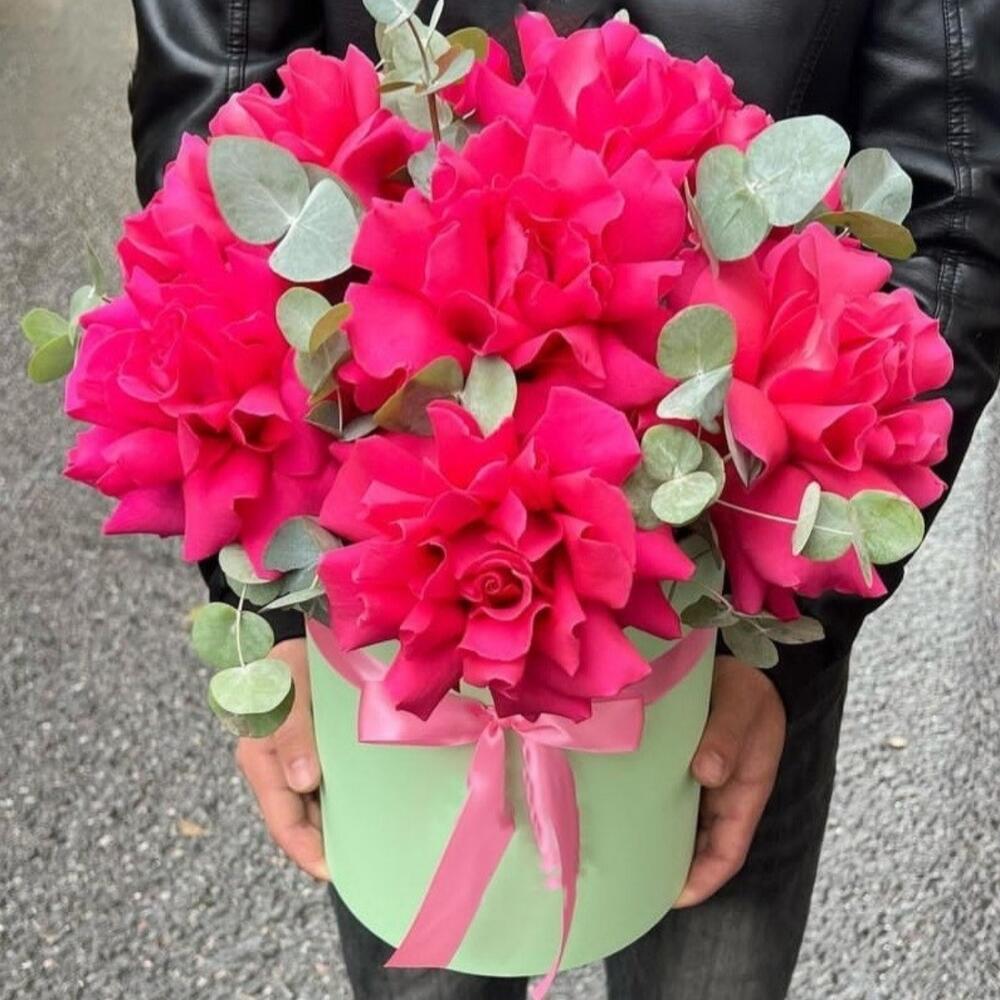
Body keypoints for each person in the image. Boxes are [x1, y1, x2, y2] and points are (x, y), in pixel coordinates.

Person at [127, 2, 1000, 998]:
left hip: (731, 633)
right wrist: (280, 618)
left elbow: (952, 191)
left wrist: (796, 628)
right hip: (375, 596)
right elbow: (215, 105)